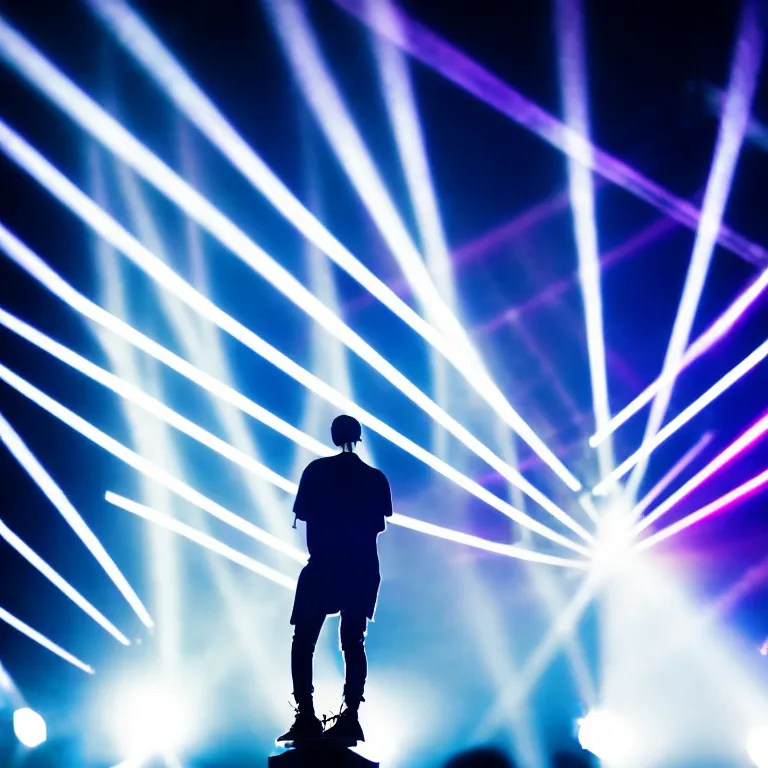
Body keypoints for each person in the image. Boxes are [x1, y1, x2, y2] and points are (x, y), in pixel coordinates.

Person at [278, 415, 393, 744]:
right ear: (358, 437)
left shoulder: (315, 472)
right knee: (353, 641)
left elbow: (305, 518)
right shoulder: (375, 479)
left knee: (303, 642)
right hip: (361, 566)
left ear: (333, 436)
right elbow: (377, 524)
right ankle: (351, 716)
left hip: (324, 564)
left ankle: (306, 715)